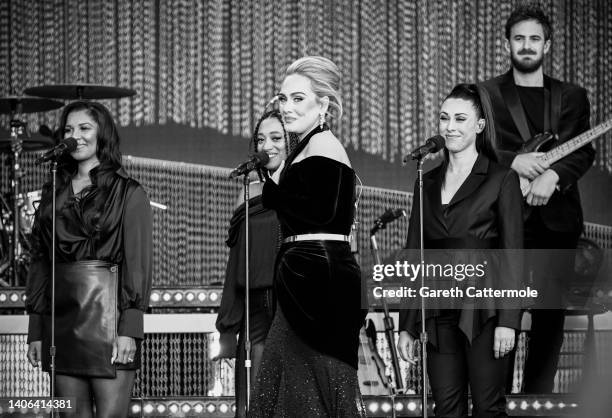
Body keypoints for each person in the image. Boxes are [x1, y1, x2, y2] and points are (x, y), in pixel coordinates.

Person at [479, 4, 595, 393]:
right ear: (506, 43)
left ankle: (536, 399)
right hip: (504, 219)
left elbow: (584, 151)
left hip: (556, 221)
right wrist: (517, 161)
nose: (526, 46)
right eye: (519, 39)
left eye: (534, 39)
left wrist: (555, 175)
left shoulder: (573, 97)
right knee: (501, 312)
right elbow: (476, 149)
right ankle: (495, 399)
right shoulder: (488, 95)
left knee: (549, 318)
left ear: (547, 45)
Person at [248, 56, 367, 417]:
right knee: (285, 384)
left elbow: (321, 215)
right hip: (307, 278)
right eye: (283, 99)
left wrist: (270, 189)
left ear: (324, 104)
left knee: (309, 382)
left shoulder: (324, 147)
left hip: (319, 283)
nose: (286, 107)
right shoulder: (309, 146)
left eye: (298, 98)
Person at [397, 84, 524, 417]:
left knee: (488, 407)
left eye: (460, 118)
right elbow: (416, 253)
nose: (449, 126)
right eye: (444, 117)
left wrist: (509, 321)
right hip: (438, 309)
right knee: (446, 407)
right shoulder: (425, 181)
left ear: (479, 126)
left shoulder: (501, 178)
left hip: (486, 310)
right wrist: (408, 324)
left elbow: (513, 254)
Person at [25, 101, 153, 418]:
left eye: (84, 128)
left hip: (110, 319)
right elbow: (41, 262)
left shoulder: (129, 192)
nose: (75, 136)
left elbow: (137, 263)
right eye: (68, 130)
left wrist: (130, 329)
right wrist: (37, 331)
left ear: (102, 134)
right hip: (63, 320)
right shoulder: (52, 193)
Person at [215, 109, 293, 417]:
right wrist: (226, 324)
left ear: (292, 142)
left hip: (293, 306)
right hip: (256, 309)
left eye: (276, 138)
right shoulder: (248, 190)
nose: (267, 146)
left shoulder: (304, 186)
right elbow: (236, 262)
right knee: (251, 404)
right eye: (261, 139)